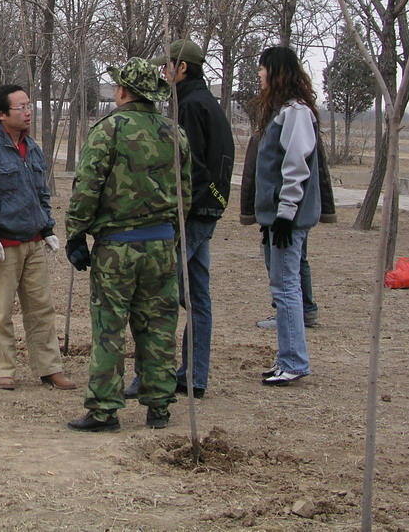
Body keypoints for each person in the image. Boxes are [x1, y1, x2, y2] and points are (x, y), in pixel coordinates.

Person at [64, 58, 190, 432]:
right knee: (159, 327)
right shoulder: (175, 133)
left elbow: (87, 187)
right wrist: (174, 238)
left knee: (109, 327)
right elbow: (186, 194)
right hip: (162, 245)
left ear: (122, 91)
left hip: (116, 247)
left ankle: (104, 410)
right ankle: (159, 406)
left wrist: (76, 233)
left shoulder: (109, 131)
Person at [125, 41, 234, 400]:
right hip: (207, 210)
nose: (162, 73)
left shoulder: (189, 106)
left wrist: (178, 209)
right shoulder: (209, 105)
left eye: (166, 67)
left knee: (158, 293)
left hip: (192, 215)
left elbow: (188, 167)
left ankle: (150, 377)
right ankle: (194, 376)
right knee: (197, 297)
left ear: (182, 68)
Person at [0, 84, 76, 392]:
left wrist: (49, 229)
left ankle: (49, 368)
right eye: (21, 107)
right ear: (1, 114)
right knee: (0, 312)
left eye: (29, 105)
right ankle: (3, 368)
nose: (28, 112)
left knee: (42, 308)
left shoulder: (35, 149)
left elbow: (41, 193)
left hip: (34, 243)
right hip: (3, 246)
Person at [248, 46, 321, 386]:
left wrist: (285, 215)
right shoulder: (282, 111)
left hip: (288, 217)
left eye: (262, 70)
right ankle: (287, 358)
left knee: (287, 288)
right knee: (282, 286)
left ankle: (293, 360)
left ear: (274, 72)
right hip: (278, 217)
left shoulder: (295, 112)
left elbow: (296, 166)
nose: (259, 76)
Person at [241, 134, 336, 329]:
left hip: (283, 212)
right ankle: (306, 310)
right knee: (298, 261)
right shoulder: (301, 129)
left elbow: (254, 173)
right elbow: (321, 171)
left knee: (282, 268)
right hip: (298, 209)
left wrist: (260, 211)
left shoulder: (273, 131)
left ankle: (287, 315)